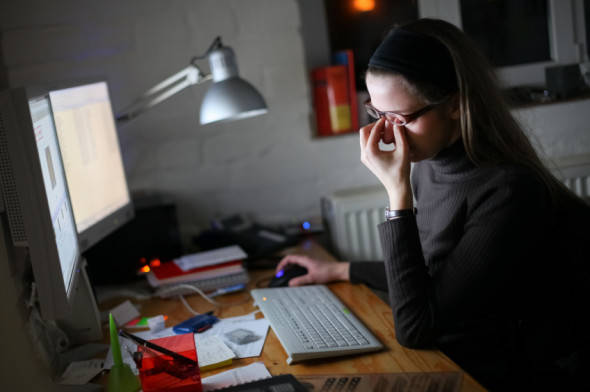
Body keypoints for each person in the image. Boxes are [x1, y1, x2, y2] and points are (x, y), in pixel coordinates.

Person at [277, 18, 590, 390]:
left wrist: (398, 195)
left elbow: (417, 327)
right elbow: (431, 275)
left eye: (400, 118)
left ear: (455, 105)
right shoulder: (432, 164)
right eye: (377, 114)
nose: (388, 133)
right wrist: (341, 270)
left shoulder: (509, 191)